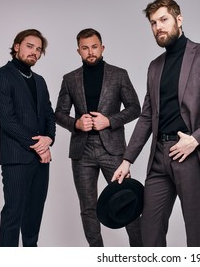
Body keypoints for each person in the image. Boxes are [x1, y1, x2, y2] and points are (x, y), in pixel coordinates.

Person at [112, 0, 200, 247]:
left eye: (164, 20)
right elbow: (147, 116)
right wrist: (127, 160)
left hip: (190, 153)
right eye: (153, 23)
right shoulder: (154, 67)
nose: (158, 27)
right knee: (150, 228)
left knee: (195, 227)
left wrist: (196, 139)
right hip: (159, 157)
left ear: (179, 20)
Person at [55, 28, 142, 247]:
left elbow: (135, 108)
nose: (90, 52)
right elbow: (59, 114)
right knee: (88, 208)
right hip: (81, 152)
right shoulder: (69, 79)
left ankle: (141, 254)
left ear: (102, 48)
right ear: (78, 51)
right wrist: (75, 123)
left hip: (112, 149)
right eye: (85, 48)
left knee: (127, 201)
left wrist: (109, 121)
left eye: (94, 47)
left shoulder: (119, 74)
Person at [0, 29, 56, 247]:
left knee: (34, 216)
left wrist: (50, 139)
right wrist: (40, 146)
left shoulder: (40, 81)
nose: (34, 52)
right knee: (13, 215)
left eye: (38, 49)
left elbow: (48, 114)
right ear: (16, 46)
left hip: (41, 161)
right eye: (30, 46)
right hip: (16, 158)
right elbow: (8, 120)